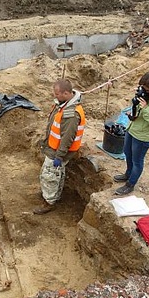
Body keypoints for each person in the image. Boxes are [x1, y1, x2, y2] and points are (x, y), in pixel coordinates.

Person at [33, 79, 86, 215]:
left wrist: (59, 156)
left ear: (67, 93)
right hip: (53, 147)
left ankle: (49, 201)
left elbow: (67, 138)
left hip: (58, 151)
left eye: (57, 94)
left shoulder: (71, 114)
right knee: (57, 172)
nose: (54, 96)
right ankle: (52, 194)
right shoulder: (64, 104)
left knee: (50, 175)